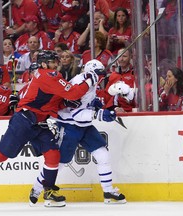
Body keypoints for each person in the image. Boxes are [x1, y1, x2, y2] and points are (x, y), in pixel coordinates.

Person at [0, 50, 99, 208]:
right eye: (53, 61)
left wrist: (64, 103)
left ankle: (49, 192)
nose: (57, 63)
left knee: (53, 154)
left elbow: (52, 100)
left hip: (39, 123)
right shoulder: (49, 75)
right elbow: (74, 93)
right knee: (0, 155)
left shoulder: (49, 76)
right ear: (45, 64)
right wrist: (90, 79)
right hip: (24, 121)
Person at [29, 59, 126, 205]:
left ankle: (108, 191)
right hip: (69, 126)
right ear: (90, 73)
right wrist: (99, 115)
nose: (101, 77)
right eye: (98, 74)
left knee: (103, 155)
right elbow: (76, 113)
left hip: (84, 126)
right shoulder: (78, 83)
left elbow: (88, 103)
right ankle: (37, 189)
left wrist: (99, 107)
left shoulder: (91, 81)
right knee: (58, 163)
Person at [98, 48, 135, 113]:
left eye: (124, 56)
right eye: (119, 56)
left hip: (132, 112)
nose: (121, 59)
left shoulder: (135, 74)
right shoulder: (113, 75)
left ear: (130, 57)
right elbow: (107, 96)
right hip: (115, 111)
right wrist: (115, 108)